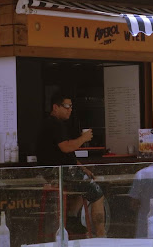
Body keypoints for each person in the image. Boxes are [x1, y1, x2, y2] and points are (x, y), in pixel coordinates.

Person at [36, 91, 106, 237]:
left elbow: (67, 156)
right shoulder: (54, 124)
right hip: (58, 173)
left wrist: (83, 168)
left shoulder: (53, 124)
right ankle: (101, 234)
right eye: (66, 106)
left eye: (71, 106)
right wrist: (83, 138)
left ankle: (72, 217)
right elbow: (66, 147)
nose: (70, 110)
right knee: (97, 193)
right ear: (55, 107)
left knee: (85, 186)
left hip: (59, 172)